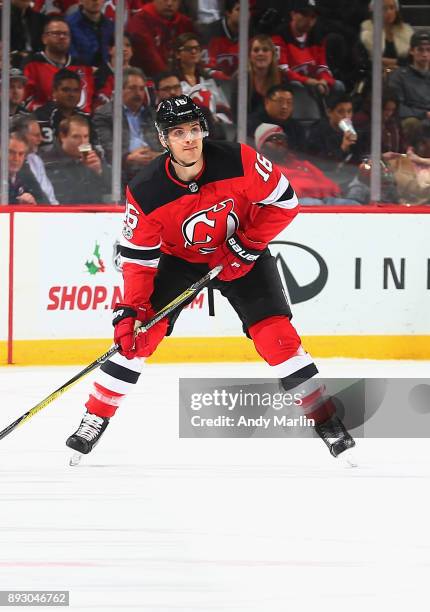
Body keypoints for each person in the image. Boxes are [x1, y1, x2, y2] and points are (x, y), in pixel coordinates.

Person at [65, 94, 355, 461]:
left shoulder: (239, 159)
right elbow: (138, 259)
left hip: (242, 255)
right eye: (177, 133)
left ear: (202, 130)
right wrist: (130, 310)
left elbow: (285, 201)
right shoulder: (145, 189)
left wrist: (247, 244)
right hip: (180, 262)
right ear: (164, 140)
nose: (188, 139)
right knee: (137, 338)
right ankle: (95, 418)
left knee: (277, 337)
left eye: (192, 129)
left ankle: (326, 421)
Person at [93, 67, 163, 185]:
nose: (138, 93)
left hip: (154, 168)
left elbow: (166, 145)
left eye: (141, 89)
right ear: (120, 90)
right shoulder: (105, 114)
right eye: (132, 88)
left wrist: (157, 156)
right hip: (124, 172)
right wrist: (128, 158)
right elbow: (106, 148)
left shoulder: (153, 114)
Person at [254, 122, 342, 205]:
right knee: (314, 204)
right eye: (274, 139)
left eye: (282, 138)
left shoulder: (303, 164)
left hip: (323, 199)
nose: (280, 142)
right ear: (261, 147)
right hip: (293, 205)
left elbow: (329, 185)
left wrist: (331, 191)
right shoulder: (262, 169)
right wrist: (315, 190)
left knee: (352, 204)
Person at [23, 16, 95, 112]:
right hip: (42, 121)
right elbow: (25, 100)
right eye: (56, 33)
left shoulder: (81, 66)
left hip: (79, 122)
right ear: (44, 38)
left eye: (65, 34)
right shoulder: (31, 64)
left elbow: (87, 102)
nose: (62, 37)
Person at [43, 114, 111, 204]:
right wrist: (84, 172)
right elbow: (64, 198)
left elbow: (116, 192)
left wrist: (100, 172)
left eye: (86, 136)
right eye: (76, 137)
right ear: (63, 136)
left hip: (96, 213)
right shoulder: (49, 161)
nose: (83, 142)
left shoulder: (95, 158)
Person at [170, 33, 232, 123]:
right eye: (188, 49)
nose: (194, 52)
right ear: (177, 54)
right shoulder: (171, 81)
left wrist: (215, 120)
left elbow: (224, 110)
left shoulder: (209, 79)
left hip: (213, 130)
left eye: (197, 48)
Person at [34, 68, 97, 151]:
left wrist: (85, 155)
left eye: (76, 90)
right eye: (66, 90)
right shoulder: (40, 117)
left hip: (79, 163)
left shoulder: (86, 119)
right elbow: (45, 152)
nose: (71, 94)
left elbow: (90, 149)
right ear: (54, 91)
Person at [127, 0, 195, 76]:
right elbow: (151, 58)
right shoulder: (140, 21)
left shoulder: (184, 22)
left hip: (180, 78)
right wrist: (170, 78)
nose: (169, 3)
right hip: (148, 78)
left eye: (174, 0)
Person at [154, 70, 226, 139]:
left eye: (176, 87)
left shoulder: (200, 112)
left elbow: (216, 139)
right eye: (167, 89)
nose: (172, 92)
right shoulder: (151, 116)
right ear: (157, 93)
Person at [388, 30, 430, 145]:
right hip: (413, 119)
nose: (425, 54)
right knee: (411, 123)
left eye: (428, 50)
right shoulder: (399, 76)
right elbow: (397, 107)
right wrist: (424, 114)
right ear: (412, 51)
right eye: (420, 49)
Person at [231, 34, 285, 117]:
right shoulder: (240, 78)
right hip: (249, 127)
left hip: (276, 126)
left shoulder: (282, 77)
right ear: (249, 56)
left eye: (265, 50)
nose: (260, 53)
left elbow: (285, 111)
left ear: (272, 54)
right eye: (256, 50)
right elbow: (236, 115)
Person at [11, 114, 59, 204]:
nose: (41, 139)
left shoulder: (35, 160)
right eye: (36, 135)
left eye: (20, 154)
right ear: (21, 136)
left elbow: (50, 198)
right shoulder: (10, 165)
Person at [360, 0, 413, 73]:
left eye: (392, 8)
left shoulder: (407, 33)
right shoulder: (367, 34)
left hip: (403, 74)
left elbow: (410, 60)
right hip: (375, 75)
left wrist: (383, 61)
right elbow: (366, 62)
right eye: (384, 8)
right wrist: (391, 67)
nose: (389, 12)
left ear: (396, 10)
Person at [247, 85, 305, 152]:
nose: (285, 106)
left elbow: (302, 155)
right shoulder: (251, 124)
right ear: (267, 102)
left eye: (289, 102)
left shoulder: (296, 127)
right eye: (280, 101)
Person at [66, 0, 114, 67]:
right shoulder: (68, 25)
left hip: (107, 73)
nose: (95, 1)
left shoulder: (111, 26)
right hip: (79, 72)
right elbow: (71, 56)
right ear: (81, 1)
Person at [201, 0, 240, 78]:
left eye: (248, 10)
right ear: (228, 13)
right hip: (215, 83)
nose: (244, 14)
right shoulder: (210, 33)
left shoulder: (252, 32)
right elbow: (204, 66)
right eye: (238, 9)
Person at [8, 132, 49, 205]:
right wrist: (18, 203)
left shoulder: (24, 171)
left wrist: (33, 202)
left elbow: (44, 201)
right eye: (11, 152)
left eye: (21, 154)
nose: (16, 158)